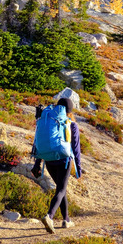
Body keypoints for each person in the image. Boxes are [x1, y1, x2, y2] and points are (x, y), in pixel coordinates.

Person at [32, 97, 83, 234]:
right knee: (61, 189)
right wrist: (78, 168)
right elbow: (76, 149)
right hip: (64, 160)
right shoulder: (71, 124)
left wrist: (37, 163)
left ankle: (66, 219)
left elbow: (38, 141)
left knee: (61, 189)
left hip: (49, 160)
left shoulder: (49, 121)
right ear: (70, 110)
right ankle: (49, 216)